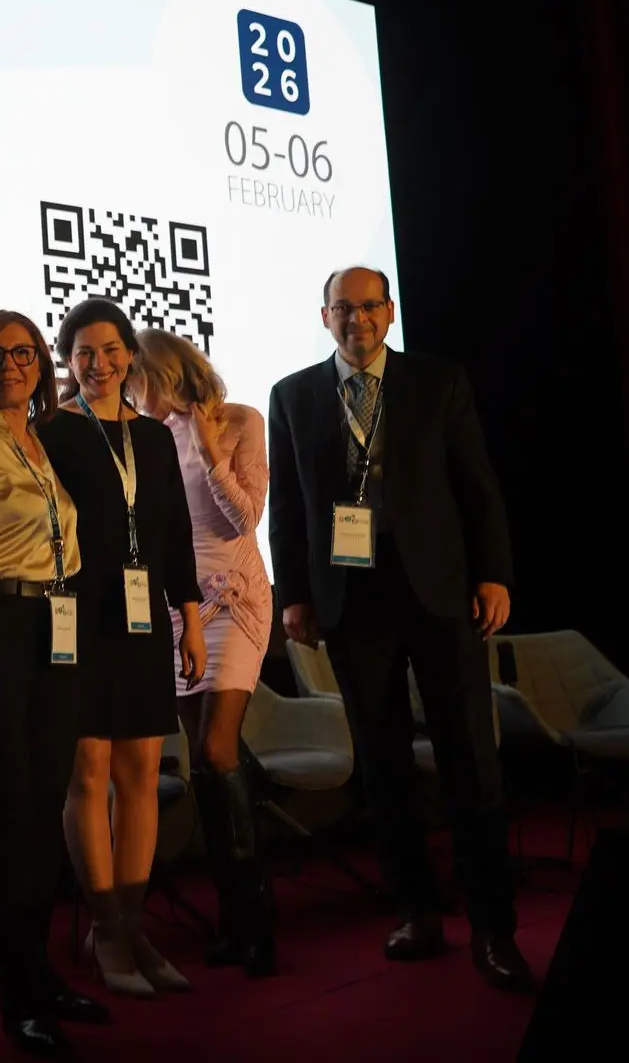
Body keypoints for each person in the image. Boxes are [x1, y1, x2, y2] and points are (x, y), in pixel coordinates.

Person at [267, 266, 533, 992]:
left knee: (468, 756)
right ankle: (416, 910)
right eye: (343, 308)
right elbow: (287, 507)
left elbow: (477, 485)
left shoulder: (438, 382)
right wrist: (294, 594)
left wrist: (494, 573)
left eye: (369, 307)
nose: (356, 319)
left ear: (389, 314)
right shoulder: (292, 395)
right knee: (382, 763)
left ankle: (493, 927)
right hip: (350, 599)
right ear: (324, 316)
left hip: (440, 590)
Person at [0, 310, 112, 1058]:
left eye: (23, 353)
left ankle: (41, 977)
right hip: (0, 632)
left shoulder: (41, 439)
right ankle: (17, 997)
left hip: (57, 627)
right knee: (11, 814)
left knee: (46, 806)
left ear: (42, 366)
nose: (10, 365)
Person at [37, 300, 204, 1000]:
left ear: (131, 355)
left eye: (110, 350)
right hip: (76, 622)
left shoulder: (156, 439)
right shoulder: (52, 431)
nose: (98, 364)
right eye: (84, 352)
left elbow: (174, 536)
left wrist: (190, 618)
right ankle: (105, 928)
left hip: (143, 626)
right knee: (89, 775)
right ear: (67, 360)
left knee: (140, 772)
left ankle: (132, 926)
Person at [129, 328, 276, 976]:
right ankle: (233, 916)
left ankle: (256, 921)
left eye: (135, 379)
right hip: (180, 607)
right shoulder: (147, 436)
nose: (131, 391)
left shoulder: (240, 420)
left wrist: (211, 449)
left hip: (235, 598)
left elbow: (243, 518)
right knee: (205, 762)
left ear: (163, 374)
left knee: (217, 750)